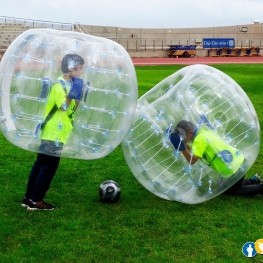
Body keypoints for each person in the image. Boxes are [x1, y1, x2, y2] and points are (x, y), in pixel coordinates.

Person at [21, 53, 85, 211]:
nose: (82, 72)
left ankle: (28, 198)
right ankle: (36, 201)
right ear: (71, 68)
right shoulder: (59, 86)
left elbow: (70, 110)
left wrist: (77, 97)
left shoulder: (69, 85)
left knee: (40, 165)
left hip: (56, 133)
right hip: (53, 134)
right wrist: (71, 95)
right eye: (80, 68)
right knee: (47, 167)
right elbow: (63, 107)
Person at [168, 119, 263, 196]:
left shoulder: (199, 140)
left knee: (229, 191)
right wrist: (182, 144)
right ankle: (254, 180)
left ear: (190, 132)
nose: (184, 139)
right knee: (223, 186)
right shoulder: (203, 132)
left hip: (234, 168)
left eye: (183, 136)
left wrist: (181, 147)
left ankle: (260, 188)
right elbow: (193, 150)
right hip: (238, 162)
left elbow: (192, 160)